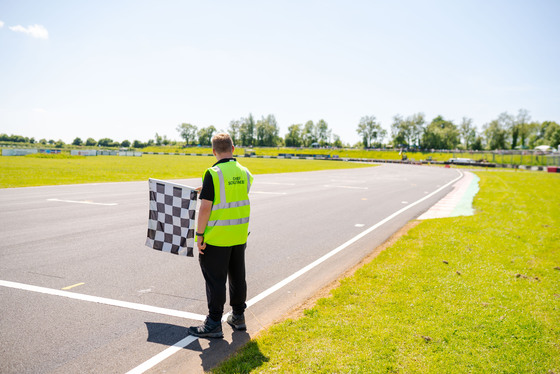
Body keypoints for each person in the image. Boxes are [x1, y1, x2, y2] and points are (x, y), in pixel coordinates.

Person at [188, 133, 253, 338]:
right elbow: (233, 195)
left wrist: (199, 235)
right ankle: (238, 316)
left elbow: (206, 208)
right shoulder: (244, 172)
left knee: (215, 280)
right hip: (239, 235)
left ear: (214, 151)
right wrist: (206, 190)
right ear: (233, 149)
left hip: (217, 237)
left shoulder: (213, 173)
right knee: (237, 276)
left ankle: (214, 322)